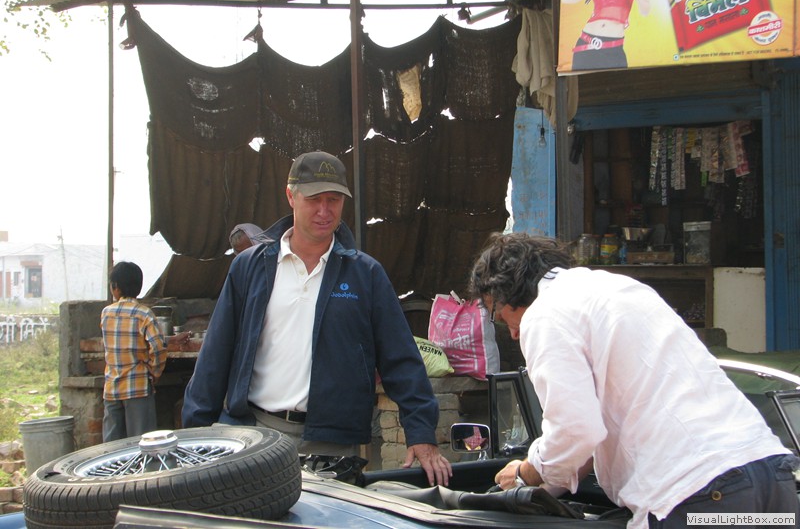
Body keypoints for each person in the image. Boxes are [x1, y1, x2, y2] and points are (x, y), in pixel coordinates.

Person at [468, 233, 799, 528]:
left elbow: (574, 431)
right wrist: (546, 479)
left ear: (504, 292)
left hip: (702, 497)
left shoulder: (545, 314)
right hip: (771, 479)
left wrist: (524, 472)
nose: (512, 333)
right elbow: (584, 443)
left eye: (498, 316)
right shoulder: (620, 288)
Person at [183, 150, 453, 486]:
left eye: (334, 200)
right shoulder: (250, 268)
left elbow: (401, 359)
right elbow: (215, 353)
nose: (325, 211)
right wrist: (195, 434)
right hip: (255, 434)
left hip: (331, 444)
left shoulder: (365, 275)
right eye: (314, 199)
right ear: (291, 196)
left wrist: (421, 432)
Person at [101, 261, 167, 442]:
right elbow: (158, 347)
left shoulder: (106, 313)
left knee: (112, 445)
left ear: (115, 287)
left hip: (112, 387)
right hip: (138, 386)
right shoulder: (144, 314)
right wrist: (155, 372)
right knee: (142, 443)